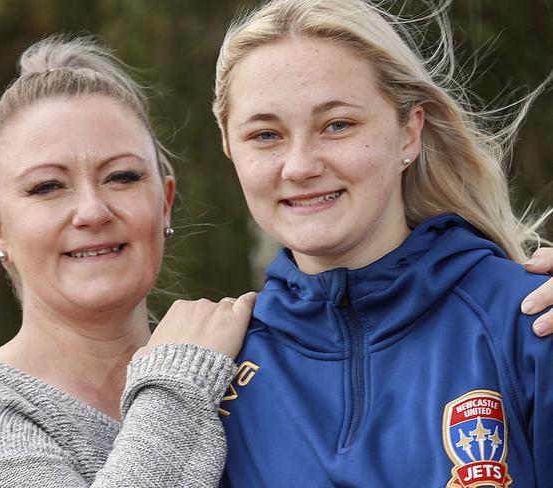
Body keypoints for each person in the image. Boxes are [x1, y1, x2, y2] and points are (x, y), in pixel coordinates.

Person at [211, 0, 553, 486]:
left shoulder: (528, 322)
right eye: (266, 135)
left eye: (338, 125)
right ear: (230, 149)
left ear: (409, 134)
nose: (300, 165)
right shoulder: (212, 371)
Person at [0, 35, 256, 487]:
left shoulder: (244, 370)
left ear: (165, 203)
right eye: (47, 186)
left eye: (122, 177)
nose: (92, 211)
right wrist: (178, 383)